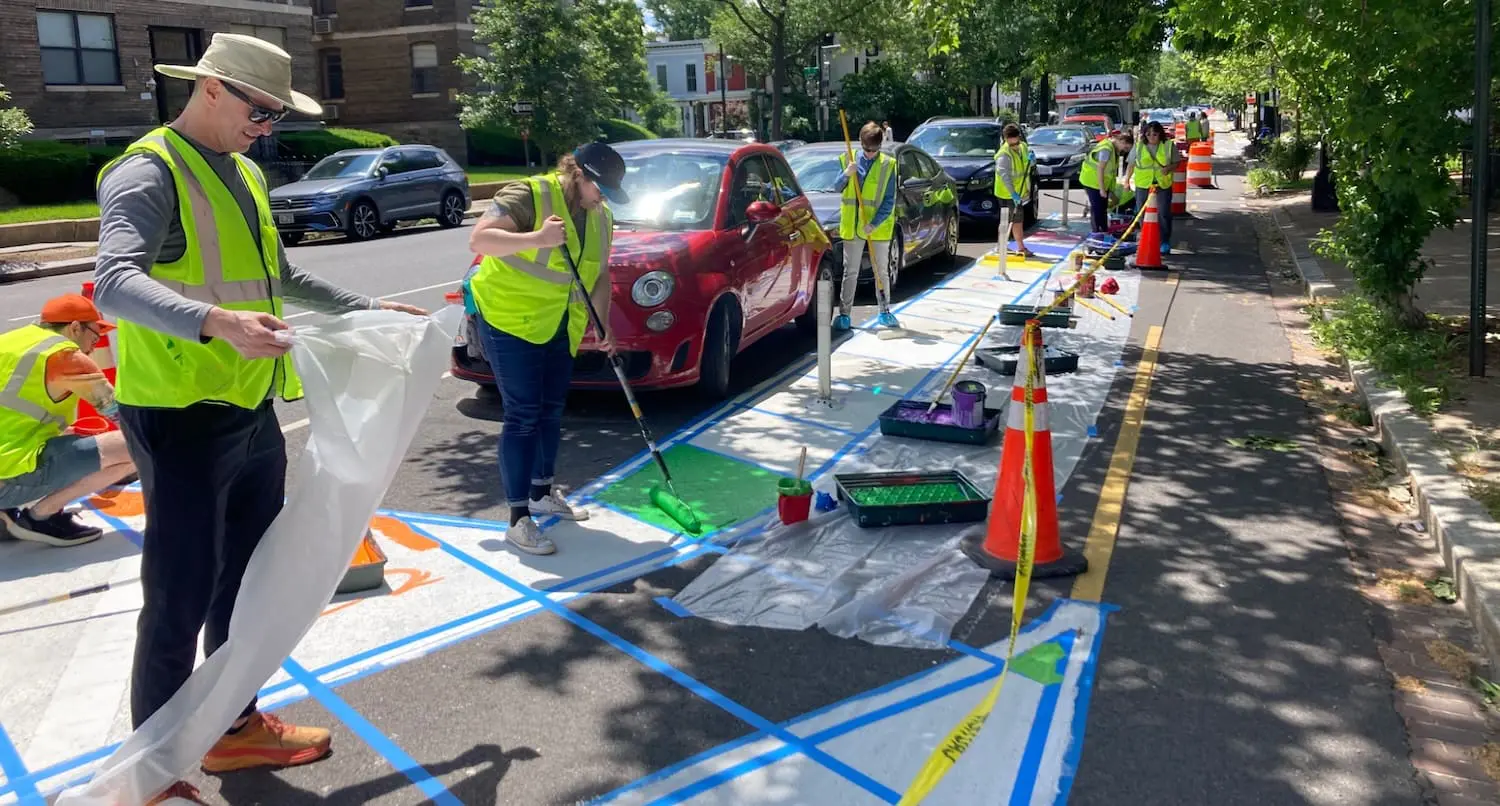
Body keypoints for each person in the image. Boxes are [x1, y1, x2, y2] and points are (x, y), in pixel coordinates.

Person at [91, 33, 426, 806]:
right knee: (177, 595)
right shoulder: (149, 170)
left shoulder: (240, 169)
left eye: (277, 114)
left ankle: (231, 723)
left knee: (243, 585)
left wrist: (368, 309)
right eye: (260, 109)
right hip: (180, 416)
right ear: (211, 88)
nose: (267, 126)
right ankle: (152, 772)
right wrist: (216, 323)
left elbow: (276, 274)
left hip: (248, 406)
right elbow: (112, 283)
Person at [466, 143, 626, 555]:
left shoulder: (601, 216)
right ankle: (519, 519)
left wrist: (603, 324)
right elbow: (480, 240)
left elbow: (601, 276)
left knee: (552, 408)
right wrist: (538, 237)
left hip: (559, 323)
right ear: (581, 177)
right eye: (600, 188)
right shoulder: (529, 194)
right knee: (522, 414)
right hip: (509, 316)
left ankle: (541, 491)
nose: (603, 197)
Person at [0, 294, 137, 546]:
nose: (94, 347)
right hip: (9, 474)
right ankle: (41, 517)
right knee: (139, 446)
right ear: (75, 327)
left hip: (7, 458)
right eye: (94, 337)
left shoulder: (11, 341)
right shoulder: (67, 357)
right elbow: (120, 416)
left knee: (73, 441)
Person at [832, 121, 899, 331]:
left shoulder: (888, 164)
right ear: (861, 144)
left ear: (880, 145)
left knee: (881, 271)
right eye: (867, 149)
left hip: (876, 229)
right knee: (850, 271)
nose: (870, 154)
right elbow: (836, 187)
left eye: (875, 149)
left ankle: (885, 311)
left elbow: (889, 200)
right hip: (852, 226)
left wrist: (874, 223)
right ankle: (844, 315)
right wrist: (847, 174)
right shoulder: (847, 160)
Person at [1126, 121, 1177, 252]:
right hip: (1143, 184)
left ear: (1160, 134)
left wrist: (1168, 168)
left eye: (1154, 134)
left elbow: (1176, 163)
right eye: (1148, 134)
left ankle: (1164, 241)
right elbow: (1131, 165)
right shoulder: (1138, 147)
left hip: (1162, 183)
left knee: (1163, 212)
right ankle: (1146, 238)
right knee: (1142, 213)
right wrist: (1126, 181)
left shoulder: (1168, 145)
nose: (1151, 137)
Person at [993, 123, 1037, 260]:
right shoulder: (1003, 155)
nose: (1014, 146)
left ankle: (1002, 245)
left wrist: (1032, 160)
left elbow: (1027, 165)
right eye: (1010, 143)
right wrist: (1013, 194)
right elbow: (1005, 177)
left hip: (1019, 191)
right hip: (1006, 193)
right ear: (1005, 139)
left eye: (1015, 142)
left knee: (1011, 219)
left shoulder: (1023, 147)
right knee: (1014, 220)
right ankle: (1019, 247)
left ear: (1018, 137)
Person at [1078, 130, 1133, 234]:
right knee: (1098, 209)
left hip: (1098, 182)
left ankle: (1103, 231)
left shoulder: (1112, 149)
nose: (1124, 151)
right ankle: (1097, 233)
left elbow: (1109, 174)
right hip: (1092, 181)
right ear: (1121, 141)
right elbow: (1100, 169)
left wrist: (1110, 192)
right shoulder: (1106, 149)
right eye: (1125, 148)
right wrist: (1102, 189)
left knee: (1102, 208)